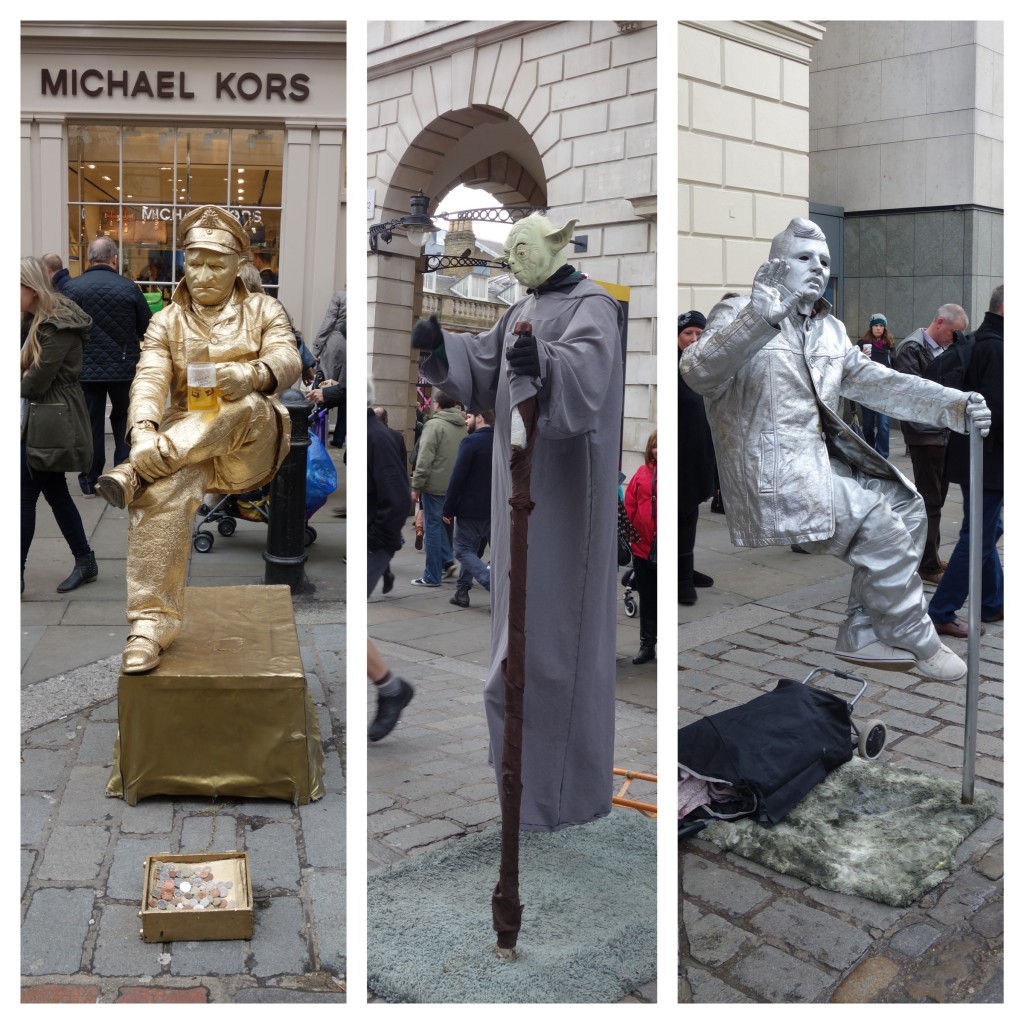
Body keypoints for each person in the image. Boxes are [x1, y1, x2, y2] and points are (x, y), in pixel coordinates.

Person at [680, 217, 990, 683]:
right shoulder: (742, 312)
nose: (817, 268)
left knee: (907, 508)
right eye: (804, 257)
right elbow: (698, 371)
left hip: (818, 464)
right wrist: (763, 316)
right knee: (877, 523)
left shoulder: (831, 332)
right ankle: (917, 635)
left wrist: (953, 405)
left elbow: (881, 384)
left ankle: (863, 628)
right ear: (776, 265)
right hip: (772, 471)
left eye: (824, 260)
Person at [411, 212, 623, 832]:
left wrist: (546, 362)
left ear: (557, 247)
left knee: (552, 651)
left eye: (523, 249)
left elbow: (584, 382)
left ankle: (560, 797)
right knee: (515, 652)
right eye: (512, 252)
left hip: (562, 507)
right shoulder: (518, 308)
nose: (514, 261)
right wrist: (439, 343)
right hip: (516, 505)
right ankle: (522, 793)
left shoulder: (596, 307)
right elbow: (480, 368)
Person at [93, 205, 301, 674]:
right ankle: (149, 625)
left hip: (250, 443)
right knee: (160, 495)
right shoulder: (166, 321)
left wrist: (251, 374)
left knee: (243, 405)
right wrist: (143, 431)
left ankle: (136, 470)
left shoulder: (264, 309)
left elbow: (288, 358)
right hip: (189, 444)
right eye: (195, 262)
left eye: (216, 264)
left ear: (237, 265)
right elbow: (149, 377)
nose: (203, 274)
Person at [928, 285, 1004, 637]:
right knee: (979, 536)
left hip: (980, 458)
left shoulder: (981, 341)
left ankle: (992, 602)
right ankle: (942, 610)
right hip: (988, 460)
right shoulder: (994, 347)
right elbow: (999, 412)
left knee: (987, 530)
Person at [20, 257, 97, 594]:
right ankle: (85, 560)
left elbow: (35, 381)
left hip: (50, 415)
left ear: (32, 288)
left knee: (24, 497)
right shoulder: (34, 320)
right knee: (53, 492)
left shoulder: (56, 325)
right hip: (39, 416)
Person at [63, 235, 152, 498]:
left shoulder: (74, 288)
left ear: (90, 258)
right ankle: (122, 477)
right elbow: (146, 326)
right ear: (114, 258)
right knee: (124, 421)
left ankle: (90, 481)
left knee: (90, 423)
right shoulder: (128, 288)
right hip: (123, 366)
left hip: (86, 367)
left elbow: (65, 329)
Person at [893, 303, 969, 584]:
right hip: (926, 436)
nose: (955, 339)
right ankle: (926, 564)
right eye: (954, 332)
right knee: (930, 501)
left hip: (943, 434)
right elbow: (913, 395)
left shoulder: (945, 349)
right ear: (939, 323)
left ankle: (932, 557)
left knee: (936, 500)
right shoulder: (912, 349)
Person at [368, 379, 415, 739]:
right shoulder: (368, 434)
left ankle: (391, 689)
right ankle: (390, 689)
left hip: (372, 543)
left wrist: (376, 543)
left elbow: (397, 499)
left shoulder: (377, 437)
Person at [677, 311, 716, 604]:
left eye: (699, 335)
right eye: (688, 333)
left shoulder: (705, 365)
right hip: (679, 453)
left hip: (700, 450)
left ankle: (685, 568)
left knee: (691, 514)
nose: (693, 340)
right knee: (679, 515)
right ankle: (680, 578)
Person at [409, 391, 466, 587]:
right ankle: (446, 560)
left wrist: (416, 485)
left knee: (431, 530)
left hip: (434, 486)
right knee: (443, 524)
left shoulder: (434, 425)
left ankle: (432, 576)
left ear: (437, 405)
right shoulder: (462, 426)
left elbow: (424, 458)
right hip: (454, 486)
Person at [442, 409, 495, 607]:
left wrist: (448, 508)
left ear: (480, 418)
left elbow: (458, 477)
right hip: (494, 508)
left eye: (469, 417)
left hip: (471, 508)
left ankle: (491, 583)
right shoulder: (502, 442)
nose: (466, 420)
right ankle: (462, 590)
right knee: (477, 550)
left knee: (463, 549)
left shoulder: (471, 442)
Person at [625, 430, 657, 663]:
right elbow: (630, 505)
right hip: (642, 547)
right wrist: (633, 536)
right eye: (655, 446)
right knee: (647, 598)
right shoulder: (641, 473)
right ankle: (647, 645)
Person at [311, 290, 347, 448]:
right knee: (344, 388)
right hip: (348, 344)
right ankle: (339, 437)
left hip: (335, 345)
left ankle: (314, 430)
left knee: (323, 385)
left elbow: (328, 323)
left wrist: (317, 348)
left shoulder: (341, 296)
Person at [857, 313, 895, 457]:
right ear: (871, 327)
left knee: (883, 425)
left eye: (881, 326)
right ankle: (870, 453)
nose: (878, 328)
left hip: (884, 390)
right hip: (867, 390)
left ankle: (882, 456)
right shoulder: (862, 344)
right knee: (867, 426)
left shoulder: (889, 345)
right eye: (876, 325)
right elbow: (854, 366)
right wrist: (861, 356)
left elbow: (895, 367)